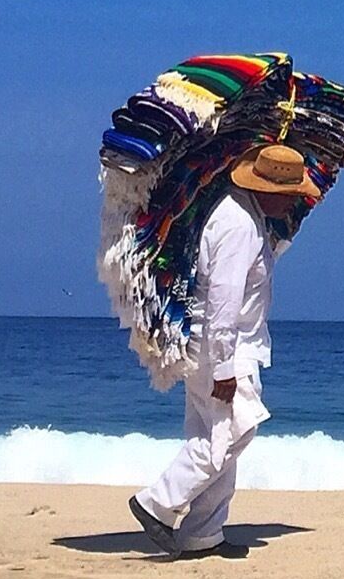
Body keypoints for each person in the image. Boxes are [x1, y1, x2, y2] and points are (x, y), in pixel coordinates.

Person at [129, 142, 318, 556]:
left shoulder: (247, 217)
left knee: (213, 435)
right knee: (235, 430)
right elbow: (223, 300)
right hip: (223, 348)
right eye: (290, 196)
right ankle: (157, 502)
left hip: (224, 345)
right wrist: (224, 368)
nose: (293, 204)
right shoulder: (238, 225)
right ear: (268, 189)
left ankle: (202, 534)